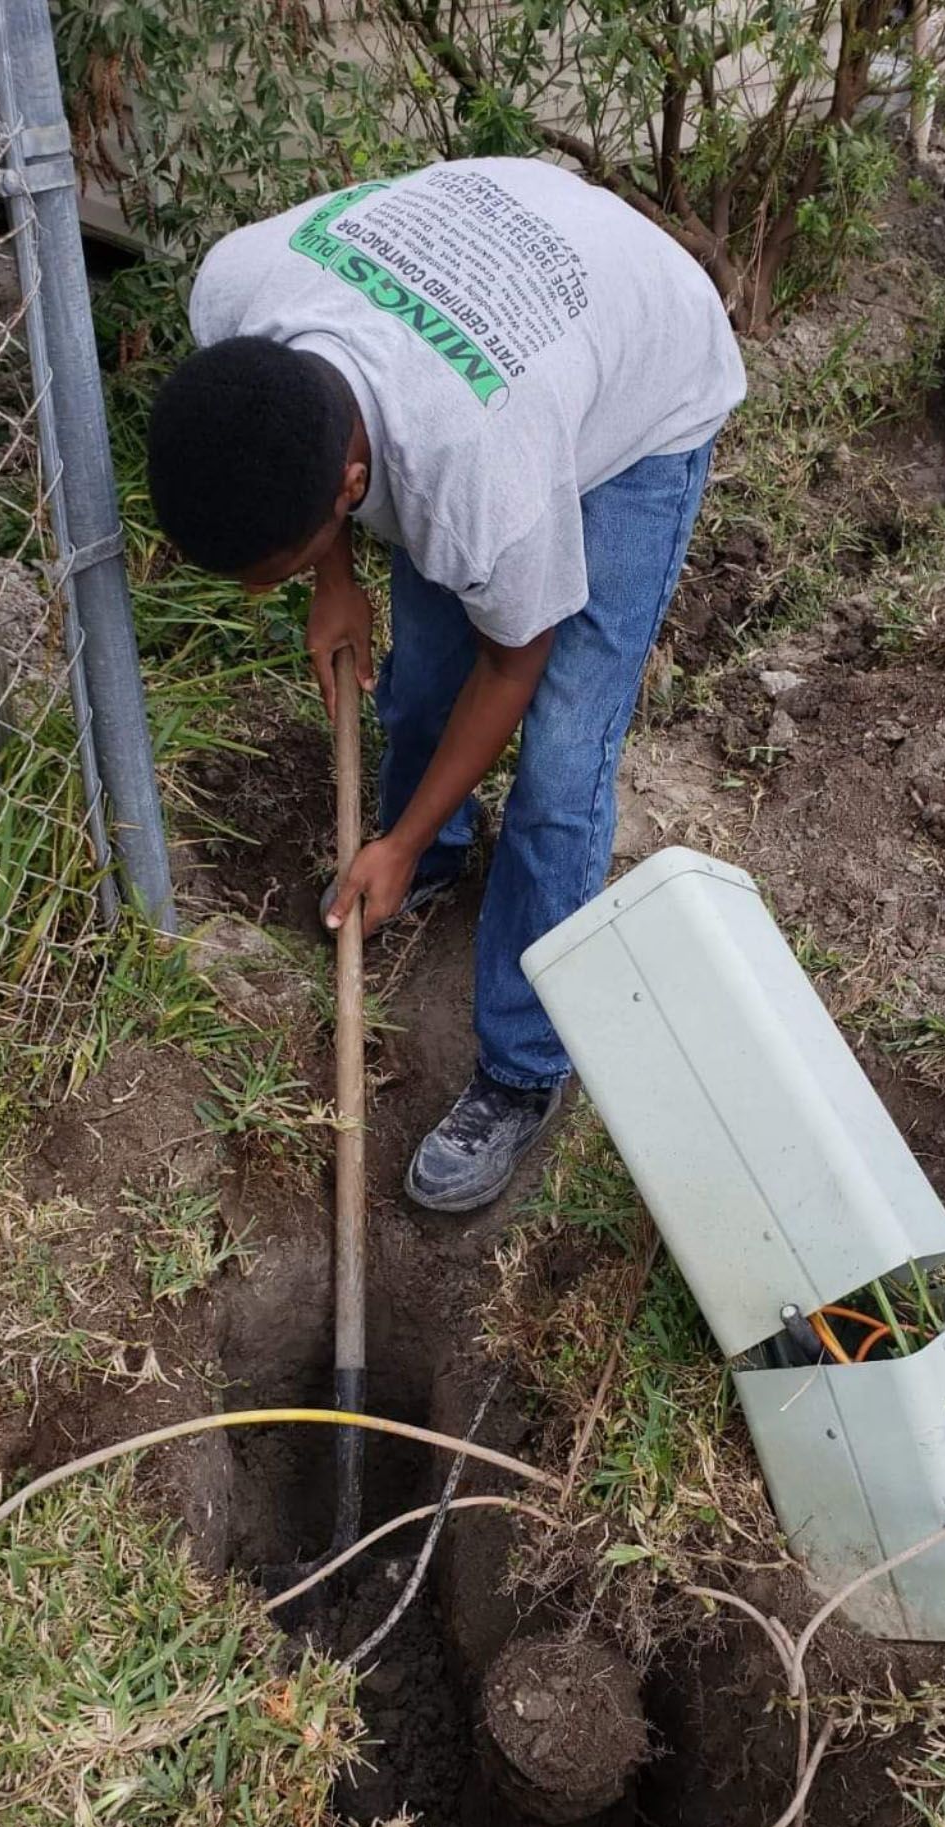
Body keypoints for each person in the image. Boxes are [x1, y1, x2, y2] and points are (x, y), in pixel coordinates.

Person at [148, 157, 745, 1213]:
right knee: (421, 672)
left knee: (562, 763)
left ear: (345, 485)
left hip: (646, 377)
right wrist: (331, 584)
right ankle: (424, 857)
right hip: (505, 299)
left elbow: (517, 663)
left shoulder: (484, 484)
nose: (276, 590)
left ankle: (522, 1069)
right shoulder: (238, 296)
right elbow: (313, 453)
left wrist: (401, 832)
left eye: (281, 569)